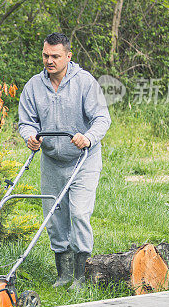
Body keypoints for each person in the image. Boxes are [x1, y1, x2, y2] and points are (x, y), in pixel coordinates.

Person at [18, 32, 111, 289]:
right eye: (46, 55)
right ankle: (63, 274)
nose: (49, 61)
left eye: (56, 56)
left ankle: (81, 276)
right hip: (51, 161)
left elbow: (102, 118)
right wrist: (30, 136)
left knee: (79, 213)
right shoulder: (34, 86)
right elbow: (26, 122)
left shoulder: (85, 83)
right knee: (55, 218)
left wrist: (88, 138)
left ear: (68, 56)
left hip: (83, 159)